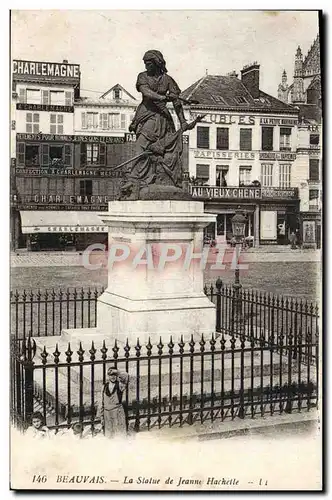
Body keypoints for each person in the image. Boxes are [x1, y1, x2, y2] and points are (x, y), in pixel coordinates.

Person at [122, 50, 190, 198]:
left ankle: (162, 180)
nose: (146, 66)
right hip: (147, 114)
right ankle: (136, 179)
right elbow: (146, 93)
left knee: (165, 149)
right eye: (145, 63)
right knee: (142, 145)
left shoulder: (168, 80)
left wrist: (183, 121)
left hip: (163, 117)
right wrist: (164, 97)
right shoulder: (143, 77)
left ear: (157, 63)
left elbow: (177, 102)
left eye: (149, 63)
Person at [97, 367, 129, 438]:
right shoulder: (104, 386)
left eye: (115, 375)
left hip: (117, 413)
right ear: (108, 376)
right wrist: (101, 415)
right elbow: (101, 401)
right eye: (111, 375)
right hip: (107, 414)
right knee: (109, 436)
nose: (113, 377)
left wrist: (118, 372)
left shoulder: (120, 385)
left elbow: (126, 376)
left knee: (119, 436)